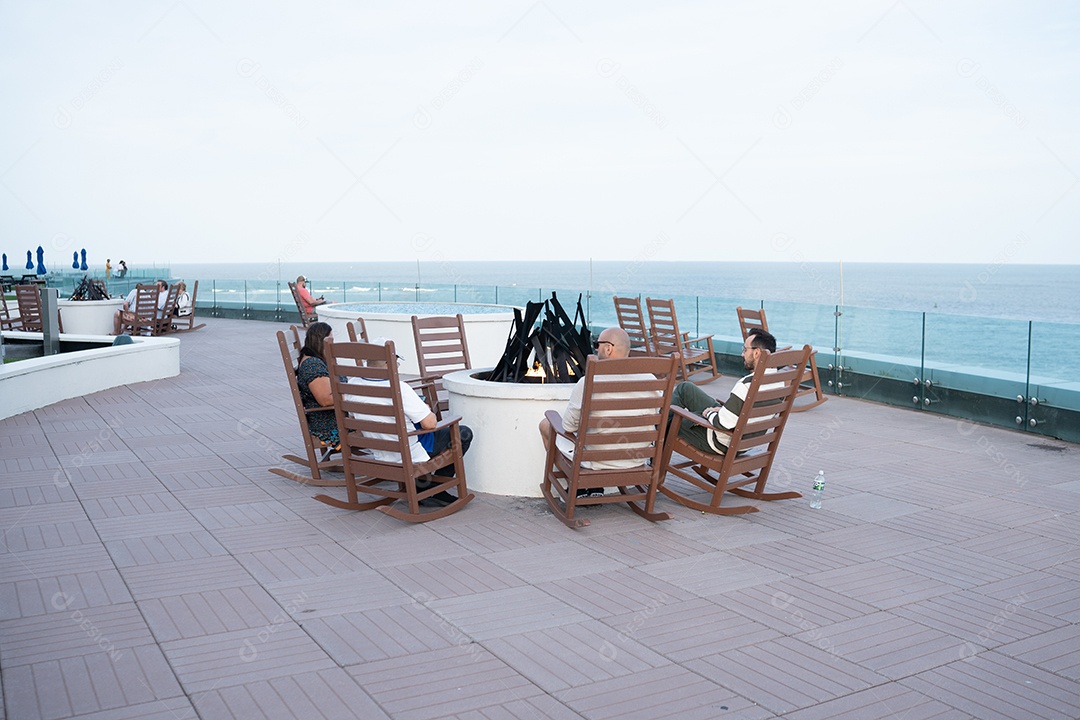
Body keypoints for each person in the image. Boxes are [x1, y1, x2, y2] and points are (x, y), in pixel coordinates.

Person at [346, 336, 473, 507]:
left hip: (378, 452)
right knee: (462, 433)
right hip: (407, 455)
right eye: (397, 362)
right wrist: (426, 409)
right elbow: (430, 424)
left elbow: (356, 417)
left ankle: (422, 486)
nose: (397, 367)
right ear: (388, 363)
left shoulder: (351, 385)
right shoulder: (399, 388)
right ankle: (432, 489)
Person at [538, 327, 660, 496]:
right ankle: (594, 488)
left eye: (597, 344)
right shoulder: (650, 381)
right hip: (636, 459)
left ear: (608, 348)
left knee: (546, 424)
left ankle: (578, 485)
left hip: (597, 462)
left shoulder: (588, 382)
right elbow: (655, 418)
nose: (596, 348)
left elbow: (568, 426)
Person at [668, 328, 780, 455]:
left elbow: (722, 424)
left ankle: (656, 439)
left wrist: (709, 413)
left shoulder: (747, 384)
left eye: (745, 350)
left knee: (671, 423)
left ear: (756, 353)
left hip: (721, 441)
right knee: (686, 388)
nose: (742, 354)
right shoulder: (778, 383)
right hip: (744, 440)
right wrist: (722, 411)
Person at [295, 322, 340, 451]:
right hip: (330, 425)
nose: (332, 345)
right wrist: (351, 395)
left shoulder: (316, 361)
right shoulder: (312, 365)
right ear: (321, 342)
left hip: (335, 417)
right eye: (330, 341)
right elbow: (326, 400)